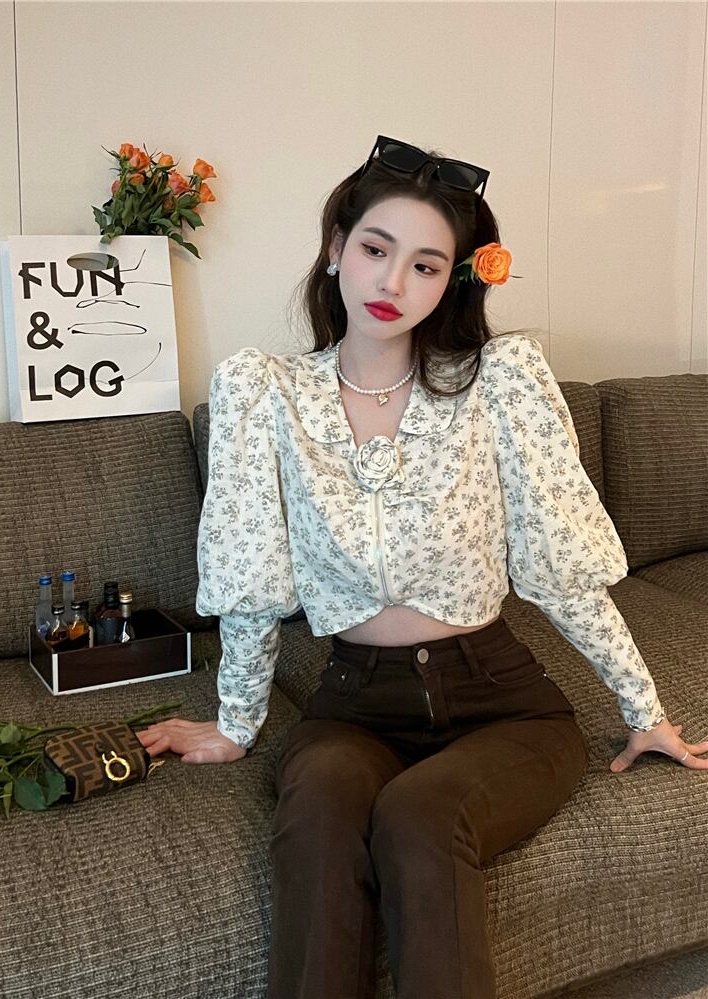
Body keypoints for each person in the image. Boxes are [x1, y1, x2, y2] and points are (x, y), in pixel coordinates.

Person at [137, 135, 708, 999]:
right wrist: (236, 724)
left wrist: (645, 710)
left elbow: (562, 569)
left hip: (503, 703)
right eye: (376, 249)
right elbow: (251, 577)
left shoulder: (497, 383)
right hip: (353, 703)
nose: (393, 282)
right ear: (337, 247)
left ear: (454, 282)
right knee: (318, 811)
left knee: (418, 815)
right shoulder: (267, 395)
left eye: (426, 265)